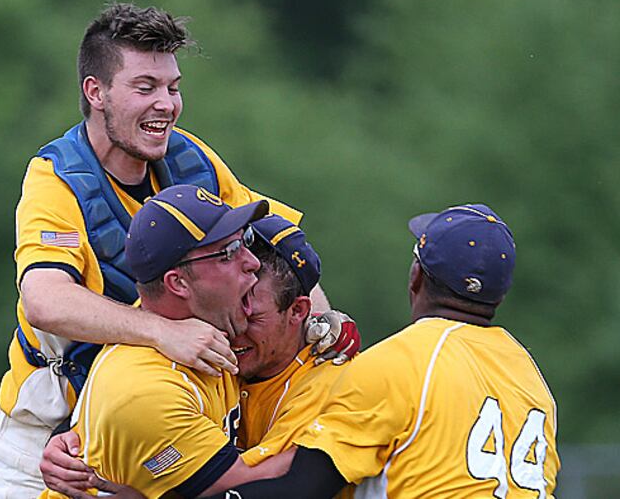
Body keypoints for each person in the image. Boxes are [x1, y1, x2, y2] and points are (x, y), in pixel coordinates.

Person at [0, 2, 329, 498]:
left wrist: (322, 323)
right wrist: (161, 331)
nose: (167, 104)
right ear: (96, 92)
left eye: (173, 88)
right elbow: (44, 302)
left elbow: (279, 249)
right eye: (145, 88)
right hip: (52, 436)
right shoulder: (58, 178)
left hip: (171, 412)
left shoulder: (191, 156)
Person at [205, 204, 560, 498]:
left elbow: (301, 487)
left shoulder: (399, 361)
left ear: (416, 276)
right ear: (500, 294)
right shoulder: (532, 378)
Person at [39, 215, 361, 497]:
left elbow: (256, 489)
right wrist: (72, 432)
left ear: (298, 311)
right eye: (233, 305)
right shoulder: (197, 336)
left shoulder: (325, 388)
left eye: (253, 313)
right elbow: (134, 403)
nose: (236, 326)